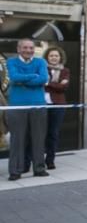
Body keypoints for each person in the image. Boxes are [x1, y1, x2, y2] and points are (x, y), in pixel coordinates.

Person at [6, 39, 49, 180]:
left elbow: (43, 79)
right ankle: (15, 171)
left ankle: (39, 168)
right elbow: (13, 76)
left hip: (38, 105)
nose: (28, 50)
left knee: (38, 138)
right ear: (18, 49)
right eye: (25, 47)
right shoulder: (12, 62)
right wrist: (32, 76)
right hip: (17, 106)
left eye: (31, 48)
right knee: (17, 139)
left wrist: (22, 80)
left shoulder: (40, 62)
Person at [42, 46, 70, 170]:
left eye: (56, 56)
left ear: (60, 58)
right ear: (47, 57)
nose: (54, 58)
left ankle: (50, 160)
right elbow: (41, 84)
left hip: (58, 105)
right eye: (51, 55)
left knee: (53, 133)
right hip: (42, 104)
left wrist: (48, 83)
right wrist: (56, 84)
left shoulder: (65, 71)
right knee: (40, 133)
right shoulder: (42, 69)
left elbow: (63, 88)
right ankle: (37, 159)